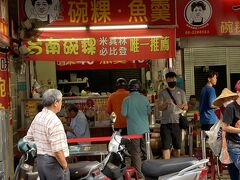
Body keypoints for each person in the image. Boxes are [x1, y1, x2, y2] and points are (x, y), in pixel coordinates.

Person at [24, 89, 69, 180]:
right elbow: (57, 150)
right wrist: (65, 166)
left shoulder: (38, 116)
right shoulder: (54, 121)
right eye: (61, 101)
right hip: (54, 163)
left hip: (41, 162)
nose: (61, 104)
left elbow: (28, 137)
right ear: (56, 103)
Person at [122, 79, 151, 179]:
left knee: (136, 153)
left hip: (133, 131)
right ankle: (151, 172)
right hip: (145, 130)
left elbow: (124, 114)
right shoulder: (145, 99)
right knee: (146, 151)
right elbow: (148, 112)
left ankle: (140, 175)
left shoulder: (126, 100)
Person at [158, 71, 188, 159]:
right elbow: (160, 108)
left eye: (174, 79)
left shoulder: (181, 92)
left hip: (177, 123)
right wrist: (165, 104)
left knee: (177, 146)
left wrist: (183, 106)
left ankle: (177, 166)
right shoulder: (162, 93)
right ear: (166, 80)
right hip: (165, 123)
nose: (172, 81)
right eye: (170, 79)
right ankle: (166, 166)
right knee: (166, 146)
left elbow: (186, 107)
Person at [212, 88, 239, 180]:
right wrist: (224, 142)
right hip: (228, 139)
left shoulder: (234, 107)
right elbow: (224, 127)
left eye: (229, 98)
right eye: (225, 99)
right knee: (231, 163)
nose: (228, 100)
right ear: (222, 101)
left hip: (233, 138)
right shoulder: (223, 110)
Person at [221, 80, 240, 180]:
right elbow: (224, 127)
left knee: (234, 172)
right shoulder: (230, 108)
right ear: (237, 92)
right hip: (234, 144)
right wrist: (224, 142)